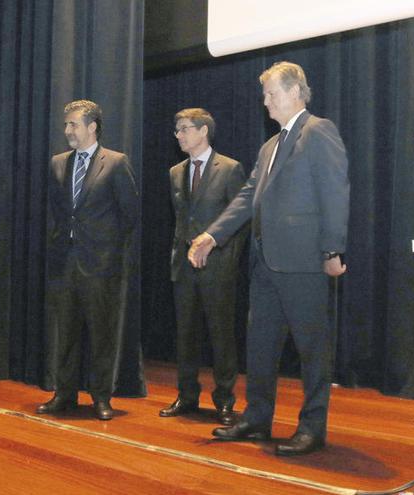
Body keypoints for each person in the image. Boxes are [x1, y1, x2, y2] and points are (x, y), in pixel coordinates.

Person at [188, 61, 349, 456]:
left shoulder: (318, 131)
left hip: (304, 262)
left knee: (312, 349)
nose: (265, 102)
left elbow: (335, 192)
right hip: (265, 263)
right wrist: (212, 234)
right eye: (264, 94)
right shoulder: (270, 145)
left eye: (271, 93)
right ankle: (257, 418)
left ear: (295, 91)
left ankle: (313, 427)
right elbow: (247, 198)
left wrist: (332, 249)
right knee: (259, 346)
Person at [38, 100, 139, 421]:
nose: (67, 130)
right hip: (64, 263)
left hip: (101, 266)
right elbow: (56, 212)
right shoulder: (57, 163)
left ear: (92, 126)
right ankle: (63, 394)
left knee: (102, 334)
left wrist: (109, 253)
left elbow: (130, 215)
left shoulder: (116, 162)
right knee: (64, 331)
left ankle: (101, 398)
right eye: (66, 124)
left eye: (73, 125)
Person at [160, 108, 246, 425]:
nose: (178, 135)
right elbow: (181, 222)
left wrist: (225, 260)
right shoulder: (175, 172)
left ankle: (224, 400)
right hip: (184, 269)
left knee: (221, 335)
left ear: (203, 131)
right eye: (177, 129)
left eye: (184, 129)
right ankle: (187, 396)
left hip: (217, 267)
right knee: (185, 335)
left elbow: (241, 221)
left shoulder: (230, 169)